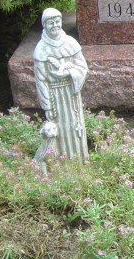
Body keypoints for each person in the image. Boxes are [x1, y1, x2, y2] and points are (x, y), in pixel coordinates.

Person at [33, 8, 89, 162]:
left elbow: (82, 67)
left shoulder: (70, 42)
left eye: (57, 21)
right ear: (44, 25)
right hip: (54, 95)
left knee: (76, 126)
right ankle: (63, 162)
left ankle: (80, 160)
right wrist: (47, 106)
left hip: (72, 92)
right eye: (51, 23)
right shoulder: (41, 49)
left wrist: (68, 73)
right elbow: (41, 80)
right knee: (60, 128)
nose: (55, 25)